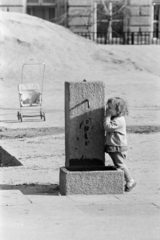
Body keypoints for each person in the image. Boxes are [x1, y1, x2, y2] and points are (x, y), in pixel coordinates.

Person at [103, 97, 136, 192]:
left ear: (118, 110)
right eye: (107, 107)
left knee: (120, 164)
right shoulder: (116, 118)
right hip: (115, 145)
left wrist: (107, 117)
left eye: (110, 108)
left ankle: (130, 180)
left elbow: (108, 127)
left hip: (118, 146)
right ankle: (126, 180)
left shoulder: (119, 120)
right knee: (118, 164)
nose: (107, 110)